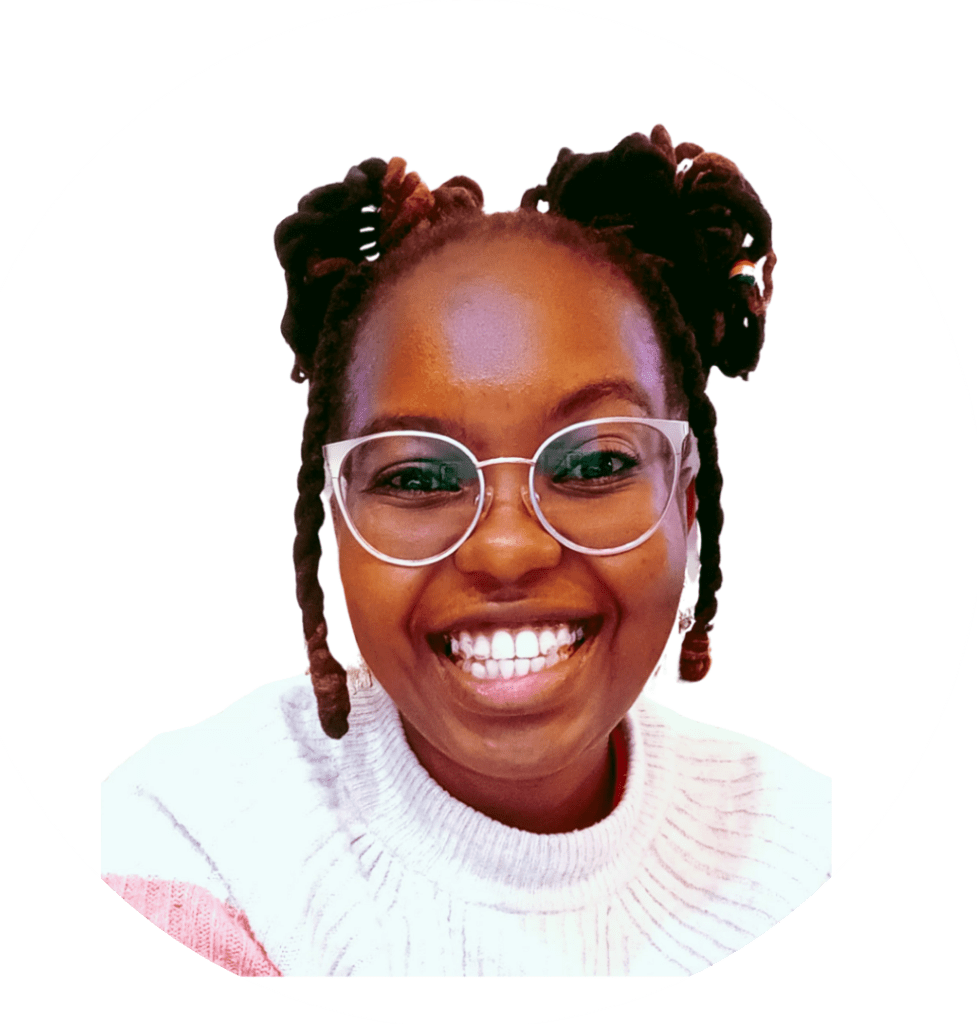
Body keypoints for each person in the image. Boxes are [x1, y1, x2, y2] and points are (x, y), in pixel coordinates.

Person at [101, 126, 830, 977]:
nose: (508, 550)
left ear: (686, 504)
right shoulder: (193, 844)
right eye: (417, 479)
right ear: (339, 516)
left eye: (595, 464)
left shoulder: (808, 850)